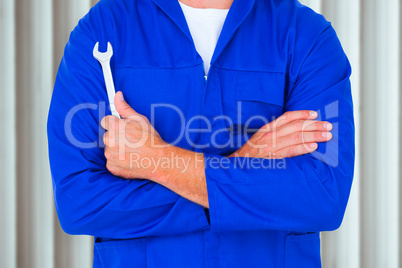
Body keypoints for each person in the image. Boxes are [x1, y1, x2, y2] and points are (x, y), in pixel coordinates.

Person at [47, 0, 355, 267]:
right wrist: (244, 164)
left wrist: (156, 160)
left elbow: (322, 194)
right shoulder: (103, 30)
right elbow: (80, 202)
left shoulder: (307, 37)